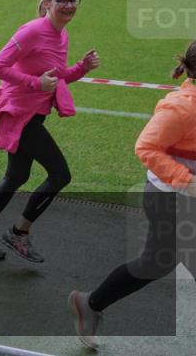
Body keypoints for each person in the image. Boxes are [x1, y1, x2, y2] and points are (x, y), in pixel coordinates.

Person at [0, 0, 100, 262]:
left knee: (16, 176)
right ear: (48, 3)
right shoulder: (32, 31)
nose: (69, 4)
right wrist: (35, 84)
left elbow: (56, 78)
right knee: (60, 175)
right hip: (18, 114)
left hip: (33, 115)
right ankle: (19, 233)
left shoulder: (61, 33)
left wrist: (81, 68)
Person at [69, 40, 196, 350]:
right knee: (161, 261)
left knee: (156, 263)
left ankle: (90, 303)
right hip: (172, 200)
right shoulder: (181, 109)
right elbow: (146, 147)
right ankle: (90, 303)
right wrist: (186, 180)